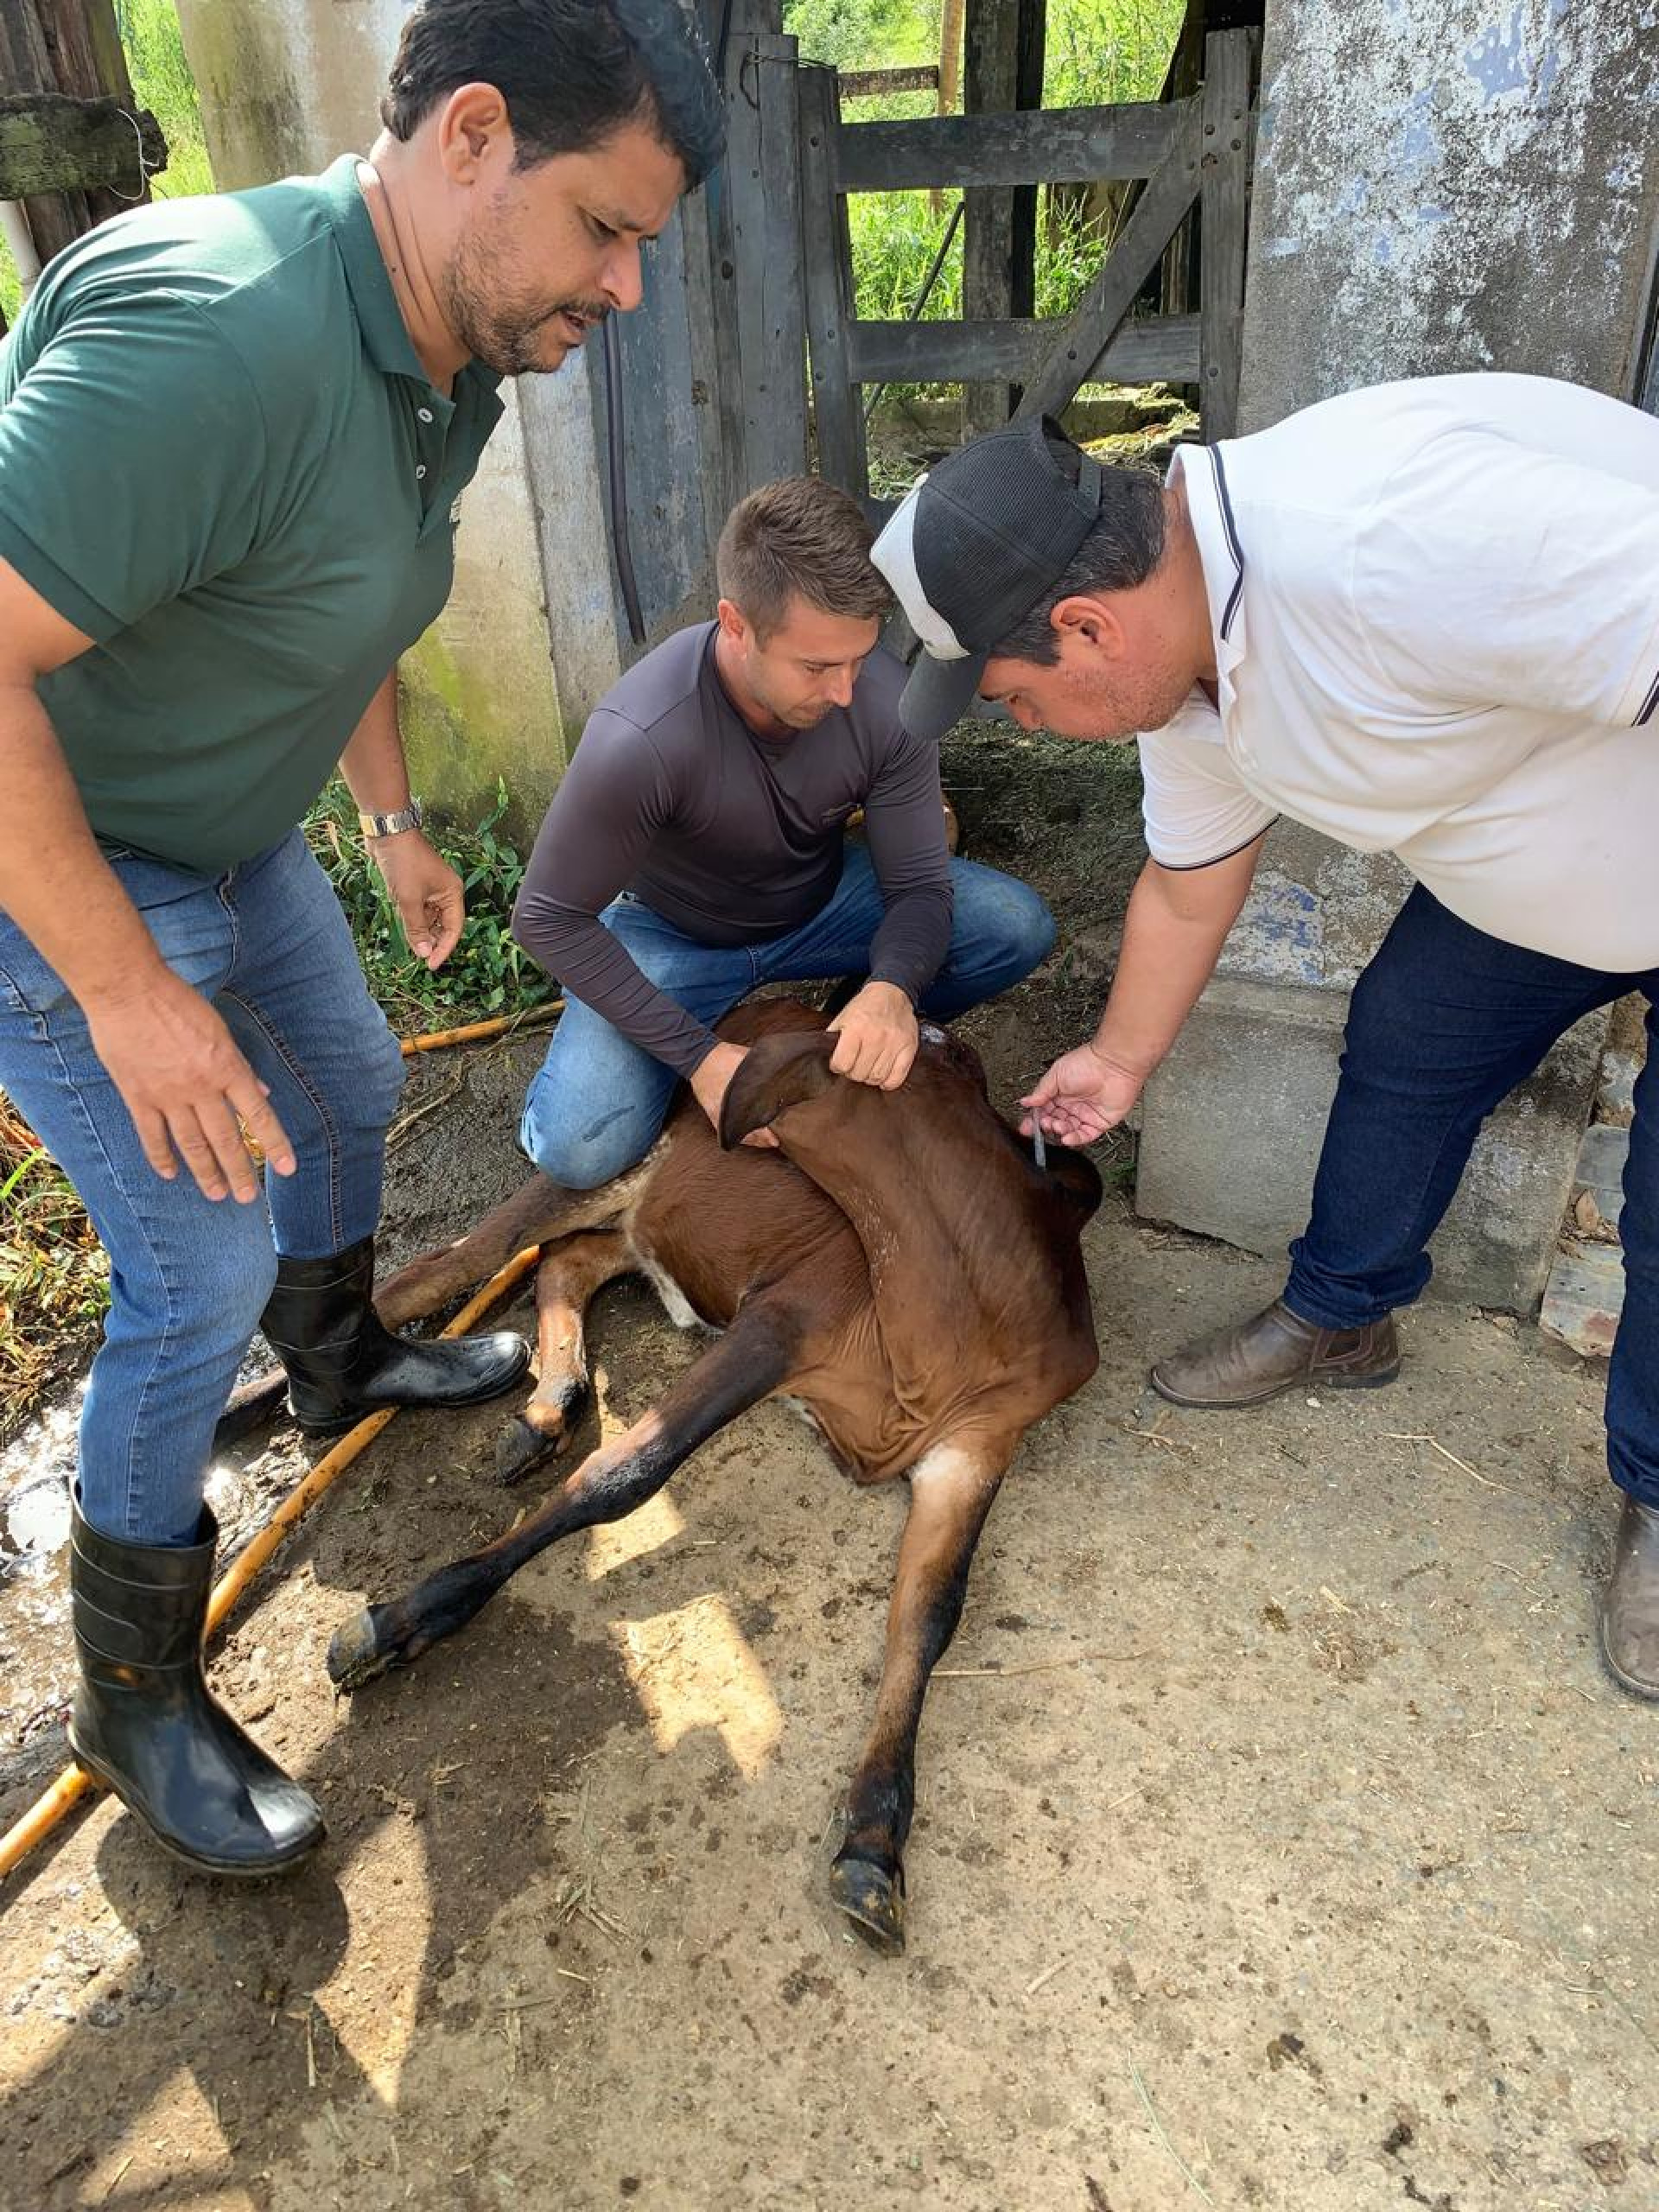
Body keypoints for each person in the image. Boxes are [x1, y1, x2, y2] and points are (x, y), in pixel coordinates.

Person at [0, 0, 721, 1875]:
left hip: (232, 830)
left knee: (343, 1078)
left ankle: (336, 1366)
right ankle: (131, 1698)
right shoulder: (216, 337)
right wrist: (124, 986)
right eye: (608, 228)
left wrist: (388, 817)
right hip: (58, 862)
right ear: (472, 136)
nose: (627, 286)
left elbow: (353, 600)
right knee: (197, 1260)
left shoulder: (448, 352)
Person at [869, 380, 1659, 1701]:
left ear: (1086, 625)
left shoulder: (1387, 542)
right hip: (1541, 882)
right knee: (1406, 1041)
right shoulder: (1189, 670)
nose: (1023, 727)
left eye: (1014, 699)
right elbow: (1189, 886)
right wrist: (1120, 1061)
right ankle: (1344, 1318)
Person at [512, 474, 1056, 1182]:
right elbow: (547, 917)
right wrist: (702, 1060)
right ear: (736, 625)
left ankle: (841, 1033)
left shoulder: (885, 704)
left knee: (1012, 924)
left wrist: (892, 988)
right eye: (817, 666)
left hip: (820, 905)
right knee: (576, 1149)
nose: (844, 692)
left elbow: (920, 886)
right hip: (674, 934)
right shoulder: (643, 735)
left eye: (858, 658)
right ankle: (674, 1044)